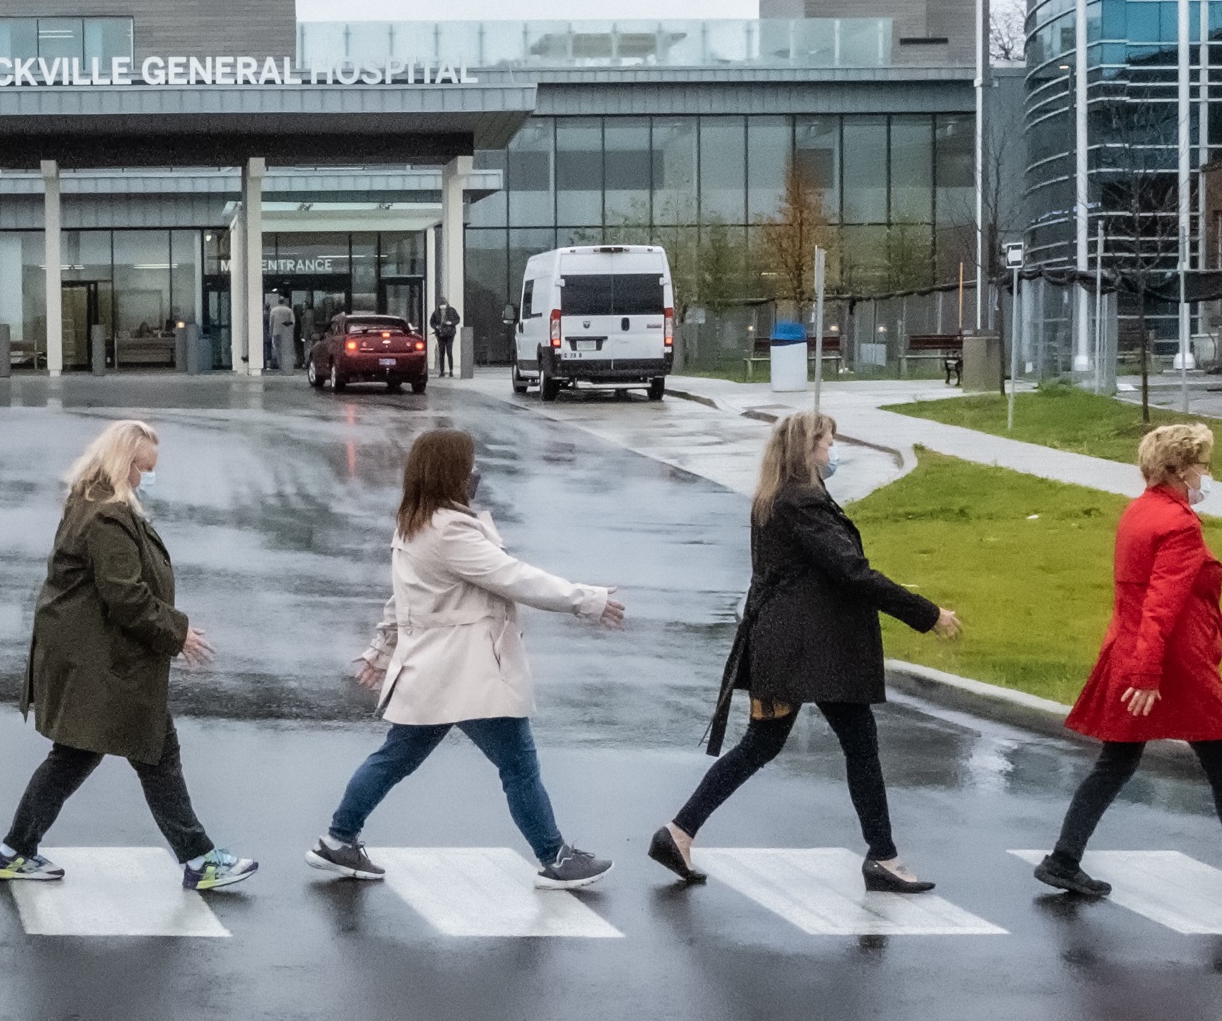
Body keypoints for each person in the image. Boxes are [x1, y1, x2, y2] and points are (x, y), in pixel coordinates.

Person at [650, 411, 961, 892]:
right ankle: (882, 856)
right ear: (807, 449)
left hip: (785, 646)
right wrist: (927, 613)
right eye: (829, 441)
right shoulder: (802, 504)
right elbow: (853, 572)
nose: (834, 450)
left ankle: (679, 833)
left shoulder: (776, 499)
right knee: (857, 745)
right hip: (812, 652)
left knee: (765, 743)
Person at [306, 428, 624, 890]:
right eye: (469, 464)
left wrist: (383, 649)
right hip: (468, 673)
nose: (475, 473)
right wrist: (586, 599)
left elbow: (402, 600)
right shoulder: (449, 531)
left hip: (435, 673)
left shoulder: (415, 522)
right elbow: (512, 577)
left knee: (395, 758)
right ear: (450, 472)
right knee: (517, 763)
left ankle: (338, 839)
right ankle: (555, 857)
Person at [1033, 423, 1222, 903]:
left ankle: (1063, 860)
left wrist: (1217, 620)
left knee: (1116, 762)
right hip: (1173, 667)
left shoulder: (1139, 513)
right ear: (1180, 470)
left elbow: (1154, 594)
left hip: (1133, 651)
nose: (1208, 474)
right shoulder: (1180, 524)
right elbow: (1161, 604)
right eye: (1204, 465)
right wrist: (1149, 674)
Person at [0, 420, 257, 892]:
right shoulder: (108, 516)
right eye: (143, 468)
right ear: (123, 462)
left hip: (93, 656)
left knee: (75, 756)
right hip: (105, 661)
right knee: (155, 752)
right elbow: (125, 596)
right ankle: (200, 859)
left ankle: (15, 850)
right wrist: (179, 633)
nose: (146, 478)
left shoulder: (91, 501)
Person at [428, 298, 461, 377]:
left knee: (449, 352)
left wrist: (451, 323)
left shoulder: (452, 310)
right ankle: (442, 371)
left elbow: (458, 319)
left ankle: (451, 370)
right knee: (441, 352)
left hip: (450, 333)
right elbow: (432, 322)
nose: (442, 308)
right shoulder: (436, 312)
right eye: (441, 306)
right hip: (440, 334)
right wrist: (436, 327)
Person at [269, 299, 297, 373]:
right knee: (286, 350)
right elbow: (293, 322)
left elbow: (271, 323)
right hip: (286, 333)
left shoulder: (273, 310)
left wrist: (270, 333)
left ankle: (280, 365)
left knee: (278, 350)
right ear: (284, 302)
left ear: (278, 302)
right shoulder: (289, 310)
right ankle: (286, 366)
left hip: (276, 332)